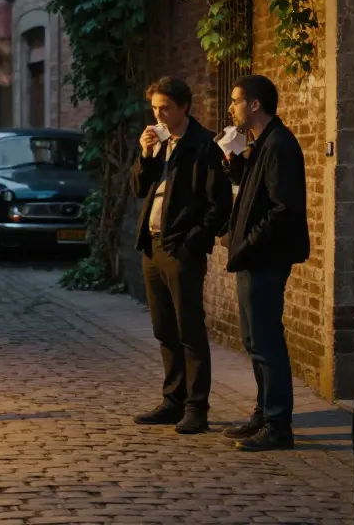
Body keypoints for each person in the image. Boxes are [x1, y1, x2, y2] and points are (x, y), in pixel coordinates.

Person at [130, 76, 233, 434]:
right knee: (164, 328)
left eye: (165, 108)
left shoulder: (203, 146)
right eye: (155, 108)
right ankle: (173, 400)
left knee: (189, 329)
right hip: (153, 245)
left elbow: (218, 205)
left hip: (181, 249)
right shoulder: (158, 143)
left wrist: (192, 241)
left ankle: (196, 407)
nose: (158, 115)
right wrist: (146, 155)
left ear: (183, 107)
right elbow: (139, 188)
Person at [221, 74, 309, 451]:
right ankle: (262, 413)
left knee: (267, 341)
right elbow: (254, 193)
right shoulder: (262, 144)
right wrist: (236, 162)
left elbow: (283, 208)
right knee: (254, 340)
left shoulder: (279, 145)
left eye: (236, 100)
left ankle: (278, 425)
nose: (231, 107)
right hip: (253, 257)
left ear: (255, 104)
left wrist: (251, 242)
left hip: (265, 258)